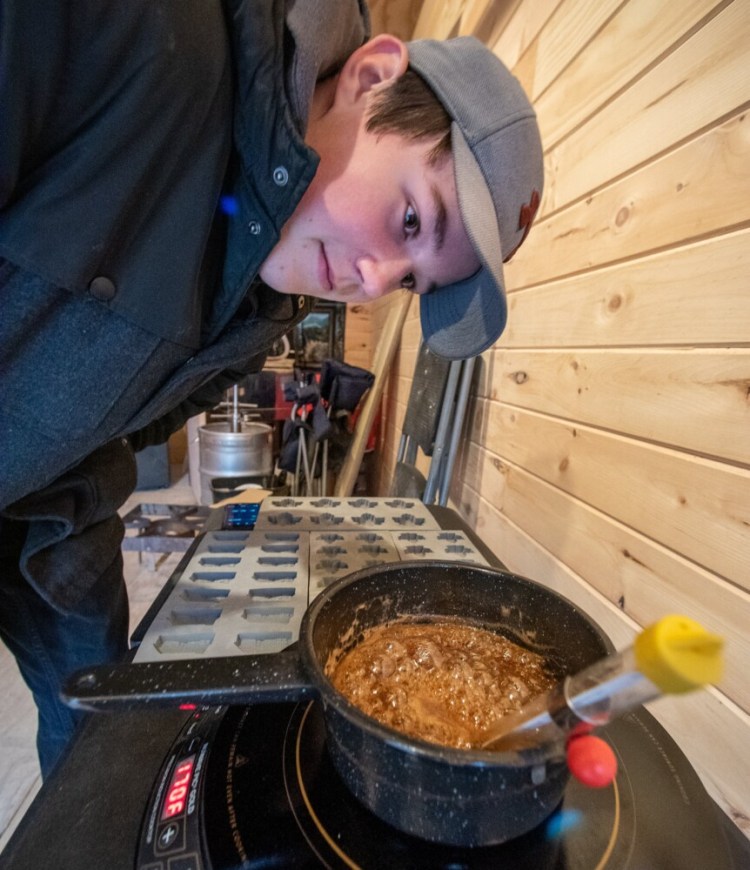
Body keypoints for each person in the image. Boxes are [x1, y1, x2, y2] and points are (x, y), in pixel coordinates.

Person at [0, 0, 543, 776]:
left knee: (98, 747)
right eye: (412, 221)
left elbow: (160, 405)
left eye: (413, 282)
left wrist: (74, 446)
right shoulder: (137, 36)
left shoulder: (267, 305)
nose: (375, 281)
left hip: (51, 507)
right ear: (370, 76)